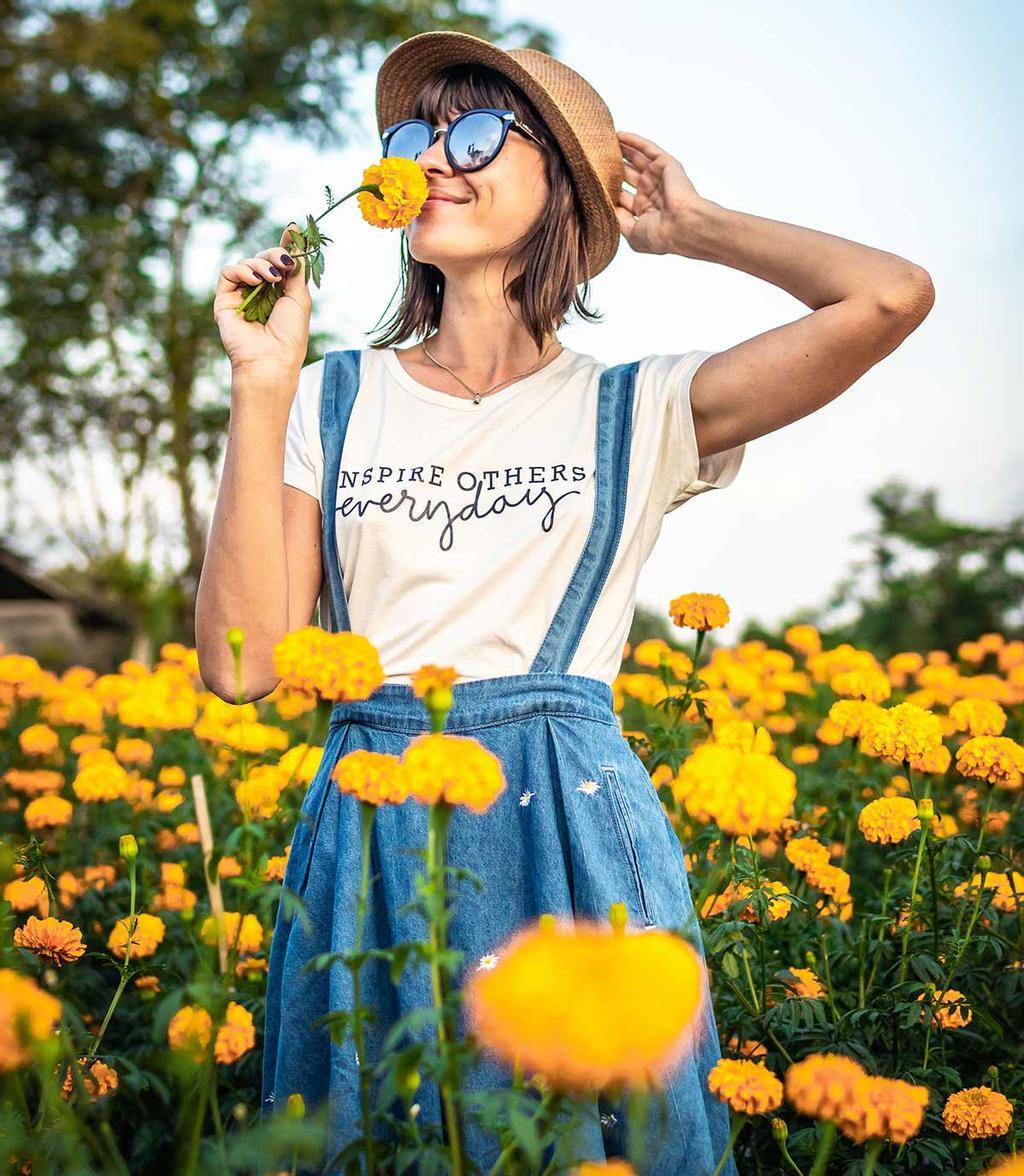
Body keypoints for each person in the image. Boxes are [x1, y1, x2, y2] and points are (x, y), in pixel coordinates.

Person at [199, 29, 935, 1174]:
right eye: (413, 135)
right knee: (377, 1135)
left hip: (570, 821)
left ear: (561, 193)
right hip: (373, 816)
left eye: (479, 133)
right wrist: (259, 382)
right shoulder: (324, 395)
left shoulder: (638, 407)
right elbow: (243, 664)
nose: (435, 157)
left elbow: (889, 296)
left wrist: (691, 230)